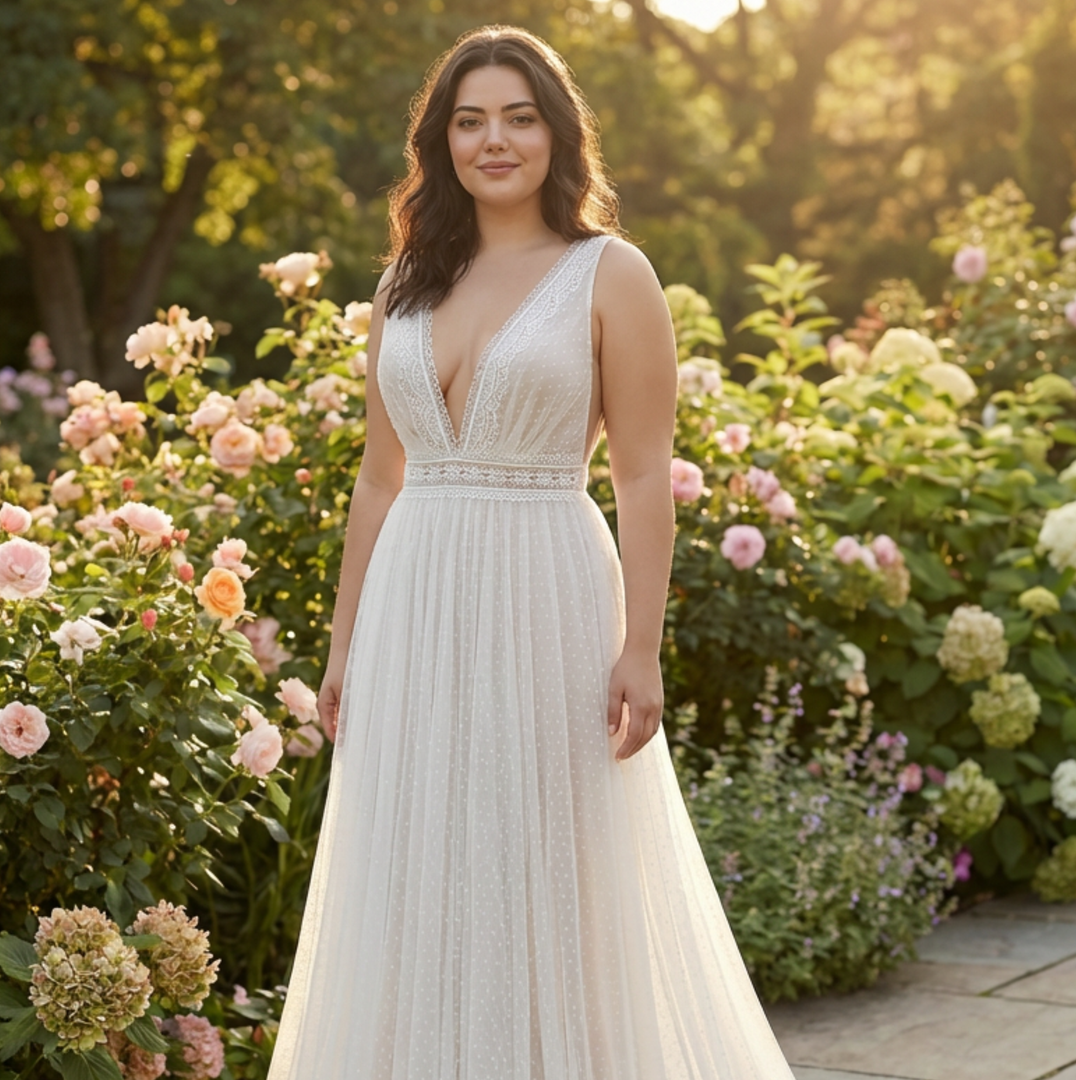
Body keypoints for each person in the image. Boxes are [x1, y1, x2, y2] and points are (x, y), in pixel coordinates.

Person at [267, 24, 796, 1079]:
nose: (493, 141)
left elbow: (646, 476)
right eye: (469, 121)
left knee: (552, 857)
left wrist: (640, 649)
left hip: (545, 589)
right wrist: (344, 645)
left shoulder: (611, 273)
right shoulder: (403, 286)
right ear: (442, 141)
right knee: (418, 860)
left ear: (556, 134)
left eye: (518, 117)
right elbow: (381, 478)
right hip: (416, 597)